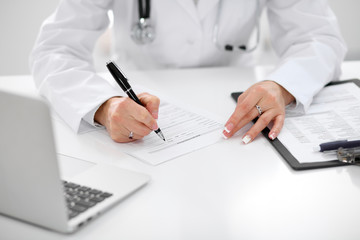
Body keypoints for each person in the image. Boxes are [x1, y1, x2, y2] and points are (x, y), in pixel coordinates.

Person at [30, 0, 346, 144]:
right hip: (137, 114)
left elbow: (318, 37)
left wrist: (282, 85)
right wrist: (103, 105)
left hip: (238, 113)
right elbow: (54, 49)